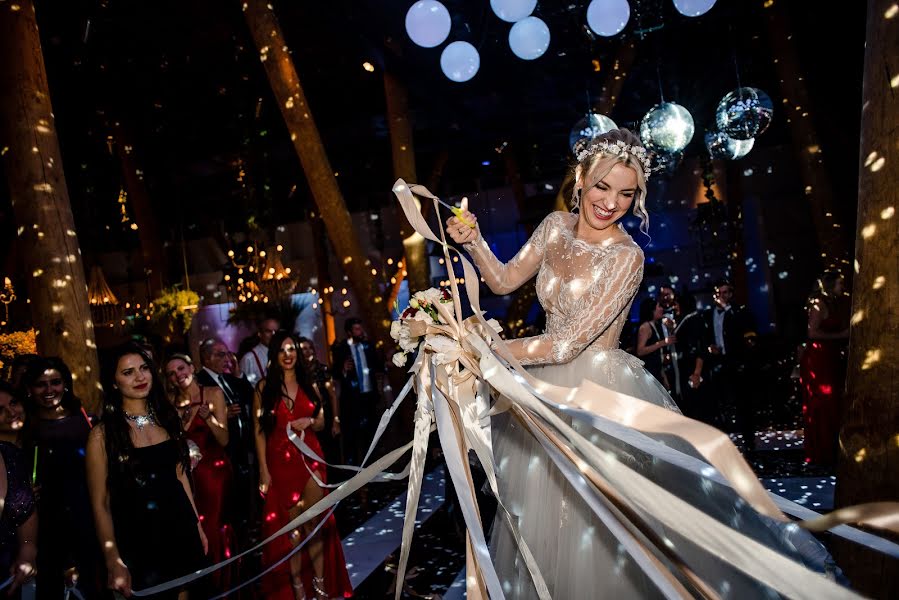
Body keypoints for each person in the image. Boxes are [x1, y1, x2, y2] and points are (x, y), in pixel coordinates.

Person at [446, 128, 832, 598]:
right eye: (603, 187)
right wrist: (475, 241)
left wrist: (484, 350)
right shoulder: (553, 227)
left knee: (616, 526)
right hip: (545, 396)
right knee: (549, 517)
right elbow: (505, 280)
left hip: (602, 396)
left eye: (626, 193)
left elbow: (567, 345)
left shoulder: (626, 257)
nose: (611, 202)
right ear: (582, 178)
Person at [86, 342, 208, 599]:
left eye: (144, 368)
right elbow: (100, 504)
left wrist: (197, 525)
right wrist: (112, 559)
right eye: (128, 372)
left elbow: (181, 476)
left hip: (181, 529)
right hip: (139, 540)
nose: (140, 377)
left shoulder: (168, 418)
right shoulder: (102, 435)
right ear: (113, 382)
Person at [254, 332, 352, 600]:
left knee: (314, 525)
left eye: (292, 349)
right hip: (279, 463)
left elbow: (320, 421)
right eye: (283, 350)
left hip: (310, 458)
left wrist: (310, 422)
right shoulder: (264, 388)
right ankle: (298, 588)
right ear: (274, 355)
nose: (288, 354)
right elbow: (259, 432)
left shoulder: (309, 383)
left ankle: (320, 586)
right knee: (292, 533)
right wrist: (263, 470)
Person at [22, 357, 101, 599]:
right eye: (41, 384)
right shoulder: (25, 424)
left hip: (85, 513)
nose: (49, 390)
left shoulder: (83, 419)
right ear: (30, 388)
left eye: (55, 382)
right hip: (46, 521)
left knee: (95, 584)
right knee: (49, 588)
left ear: (65, 384)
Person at [165, 353, 234, 592]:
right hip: (186, 477)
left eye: (181, 368)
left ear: (192, 368)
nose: (178, 375)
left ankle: (217, 585)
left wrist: (210, 419)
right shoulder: (170, 403)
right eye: (172, 373)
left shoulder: (212, 393)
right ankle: (199, 585)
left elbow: (225, 439)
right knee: (193, 529)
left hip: (213, 474)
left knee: (211, 528)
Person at [799, 271, 849, 465]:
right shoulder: (818, 303)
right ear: (829, 285)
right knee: (823, 403)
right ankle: (823, 451)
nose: (842, 287)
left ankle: (832, 448)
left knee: (833, 402)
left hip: (830, 356)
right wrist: (842, 336)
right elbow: (812, 333)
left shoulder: (832, 303)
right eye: (839, 284)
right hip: (819, 359)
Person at [701, 279, 758, 444]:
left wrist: (727, 308)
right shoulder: (707, 314)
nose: (722, 296)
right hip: (718, 362)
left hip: (737, 362)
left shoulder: (739, 312)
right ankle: (724, 440)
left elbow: (747, 333)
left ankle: (749, 440)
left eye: (726, 292)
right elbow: (704, 337)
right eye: (719, 293)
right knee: (721, 403)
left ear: (731, 294)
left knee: (743, 402)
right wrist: (709, 347)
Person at [330, 318, 384, 466]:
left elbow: (378, 366)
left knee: (371, 436)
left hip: (369, 398)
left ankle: (373, 468)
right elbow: (334, 373)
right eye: (356, 329)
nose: (360, 332)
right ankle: (355, 473)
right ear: (349, 332)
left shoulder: (368, 346)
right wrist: (343, 370)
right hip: (352, 401)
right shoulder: (341, 349)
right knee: (353, 439)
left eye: (360, 328)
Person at [0, 383, 37, 598]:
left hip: (19, 571)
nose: (11, 412)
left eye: (14, 402)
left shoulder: (33, 446)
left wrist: (28, 550)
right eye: (0, 409)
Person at [298, 337, 341, 472]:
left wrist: (336, 421)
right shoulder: (298, 374)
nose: (308, 351)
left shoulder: (322, 369)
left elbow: (333, 396)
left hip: (326, 415)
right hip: (307, 419)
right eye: (304, 349)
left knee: (332, 456)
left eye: (310, 348)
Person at [635, 297, 675, 390]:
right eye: (659, 307)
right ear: (651, 310)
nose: (662, 309)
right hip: (648, 373)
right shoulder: (645, 327)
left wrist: (664, 377)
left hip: (656, 371)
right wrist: (662, 343)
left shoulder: (655, 325)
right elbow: (640, 351)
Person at [240, 316, 280, 386]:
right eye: (268, 331)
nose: (273, 335)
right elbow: (243, 387)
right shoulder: (249, 359)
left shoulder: (283, 354)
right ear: (260, 334)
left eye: (276, 332)